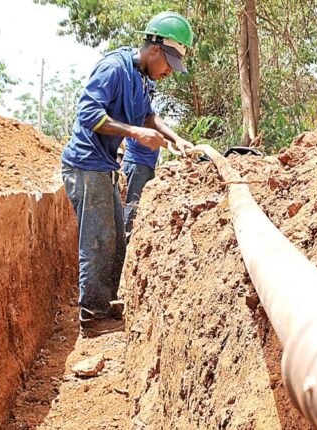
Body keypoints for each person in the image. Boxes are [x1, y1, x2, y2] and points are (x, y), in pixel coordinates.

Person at [61, 11, 194, 335]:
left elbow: (147, 116)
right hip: (85, 165)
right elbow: (89, 114)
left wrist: (175, 138)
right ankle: (92, 316)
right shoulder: (114, 68)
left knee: (117, 240)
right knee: (98, 242)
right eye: (168, 65)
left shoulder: (142, 80)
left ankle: (105, 303)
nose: (168, 73)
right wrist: (135, 134)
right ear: (155, 50)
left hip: (103, 165)